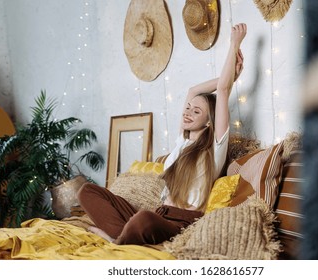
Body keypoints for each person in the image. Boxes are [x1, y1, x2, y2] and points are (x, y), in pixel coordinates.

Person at [77, 23, 247, 245]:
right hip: (158, 215)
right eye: (187, 108)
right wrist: (230, 76)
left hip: (179, 223)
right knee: (87, 191)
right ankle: (123, 236)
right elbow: (193, 91)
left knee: (142, 219)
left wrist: (234, 45)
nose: (187, 113)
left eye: (196, 111)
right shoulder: (182, 141)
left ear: (208, 123)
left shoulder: (214, 149)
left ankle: (116, 240)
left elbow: (222, 91)